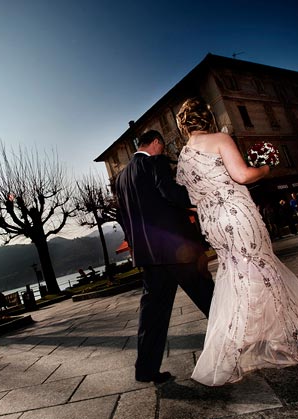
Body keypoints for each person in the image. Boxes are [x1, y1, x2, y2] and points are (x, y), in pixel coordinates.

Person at [175, 97, 298, 386]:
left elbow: (191, 200)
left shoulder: (183, 157)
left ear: (184, 125)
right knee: (260, 272)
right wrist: (264, 168)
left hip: (213, 222)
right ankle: (250, 342)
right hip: (236, 214)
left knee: (236, 274)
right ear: (207, 118)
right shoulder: (220, 139)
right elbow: (242, 175)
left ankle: (265, 337)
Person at [114, 129, 215, 384]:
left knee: (152, 315)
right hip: (177, 250)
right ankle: (236, 347)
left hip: (150, 256)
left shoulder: (122, 178)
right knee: (211, 300)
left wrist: (139, 249)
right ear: (156, 143)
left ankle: (146, 370)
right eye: (163, 146)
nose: (164, 151)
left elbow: (124, 219)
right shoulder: (154, 162)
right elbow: (169, 192)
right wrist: (202, 198)